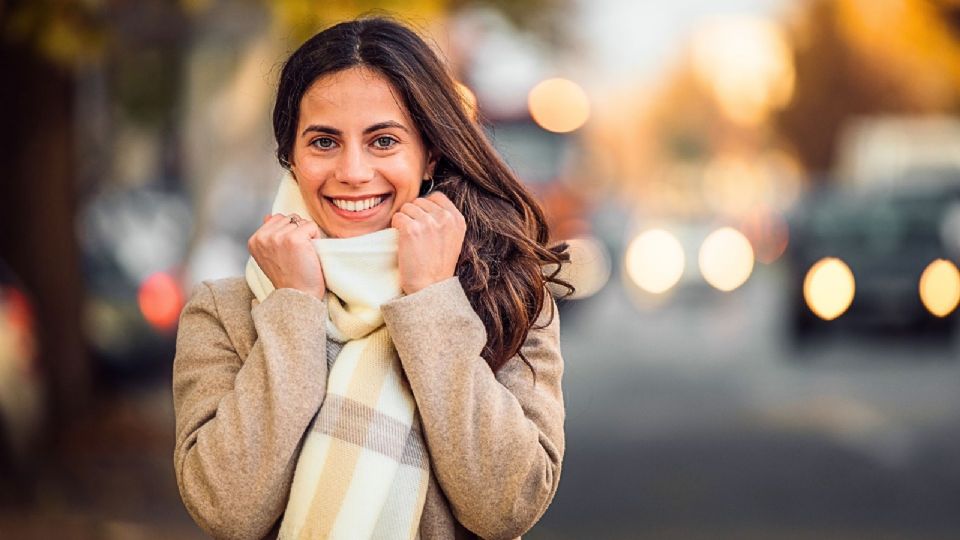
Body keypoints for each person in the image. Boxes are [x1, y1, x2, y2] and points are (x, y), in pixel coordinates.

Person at [172, 16, 571, 540]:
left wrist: (432, 299)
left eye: (383, 141)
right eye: (323, 142)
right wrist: (294, 306)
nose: (354, 171)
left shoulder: (508, 299)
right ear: (289, 156)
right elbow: (228, 510)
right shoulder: (224, 313)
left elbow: (506, 505)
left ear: (428, 153)